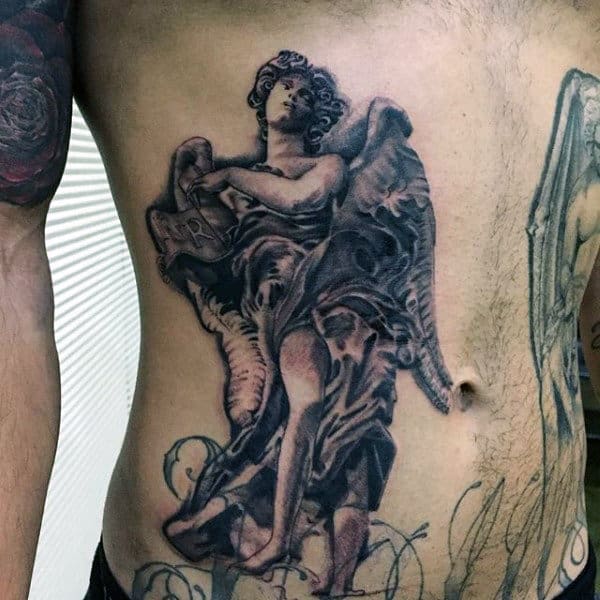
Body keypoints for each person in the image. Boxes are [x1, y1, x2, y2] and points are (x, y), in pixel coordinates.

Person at [3, 1, 600, 599]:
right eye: (283, 86)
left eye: (304, 90)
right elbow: (9, 268)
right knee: (299, 407)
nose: (294, 95)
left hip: (549, 569)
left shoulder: (323, 168)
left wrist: (232, 178)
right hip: (292, 325)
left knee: (356, 447)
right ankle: (277, 533)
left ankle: (328, 559)